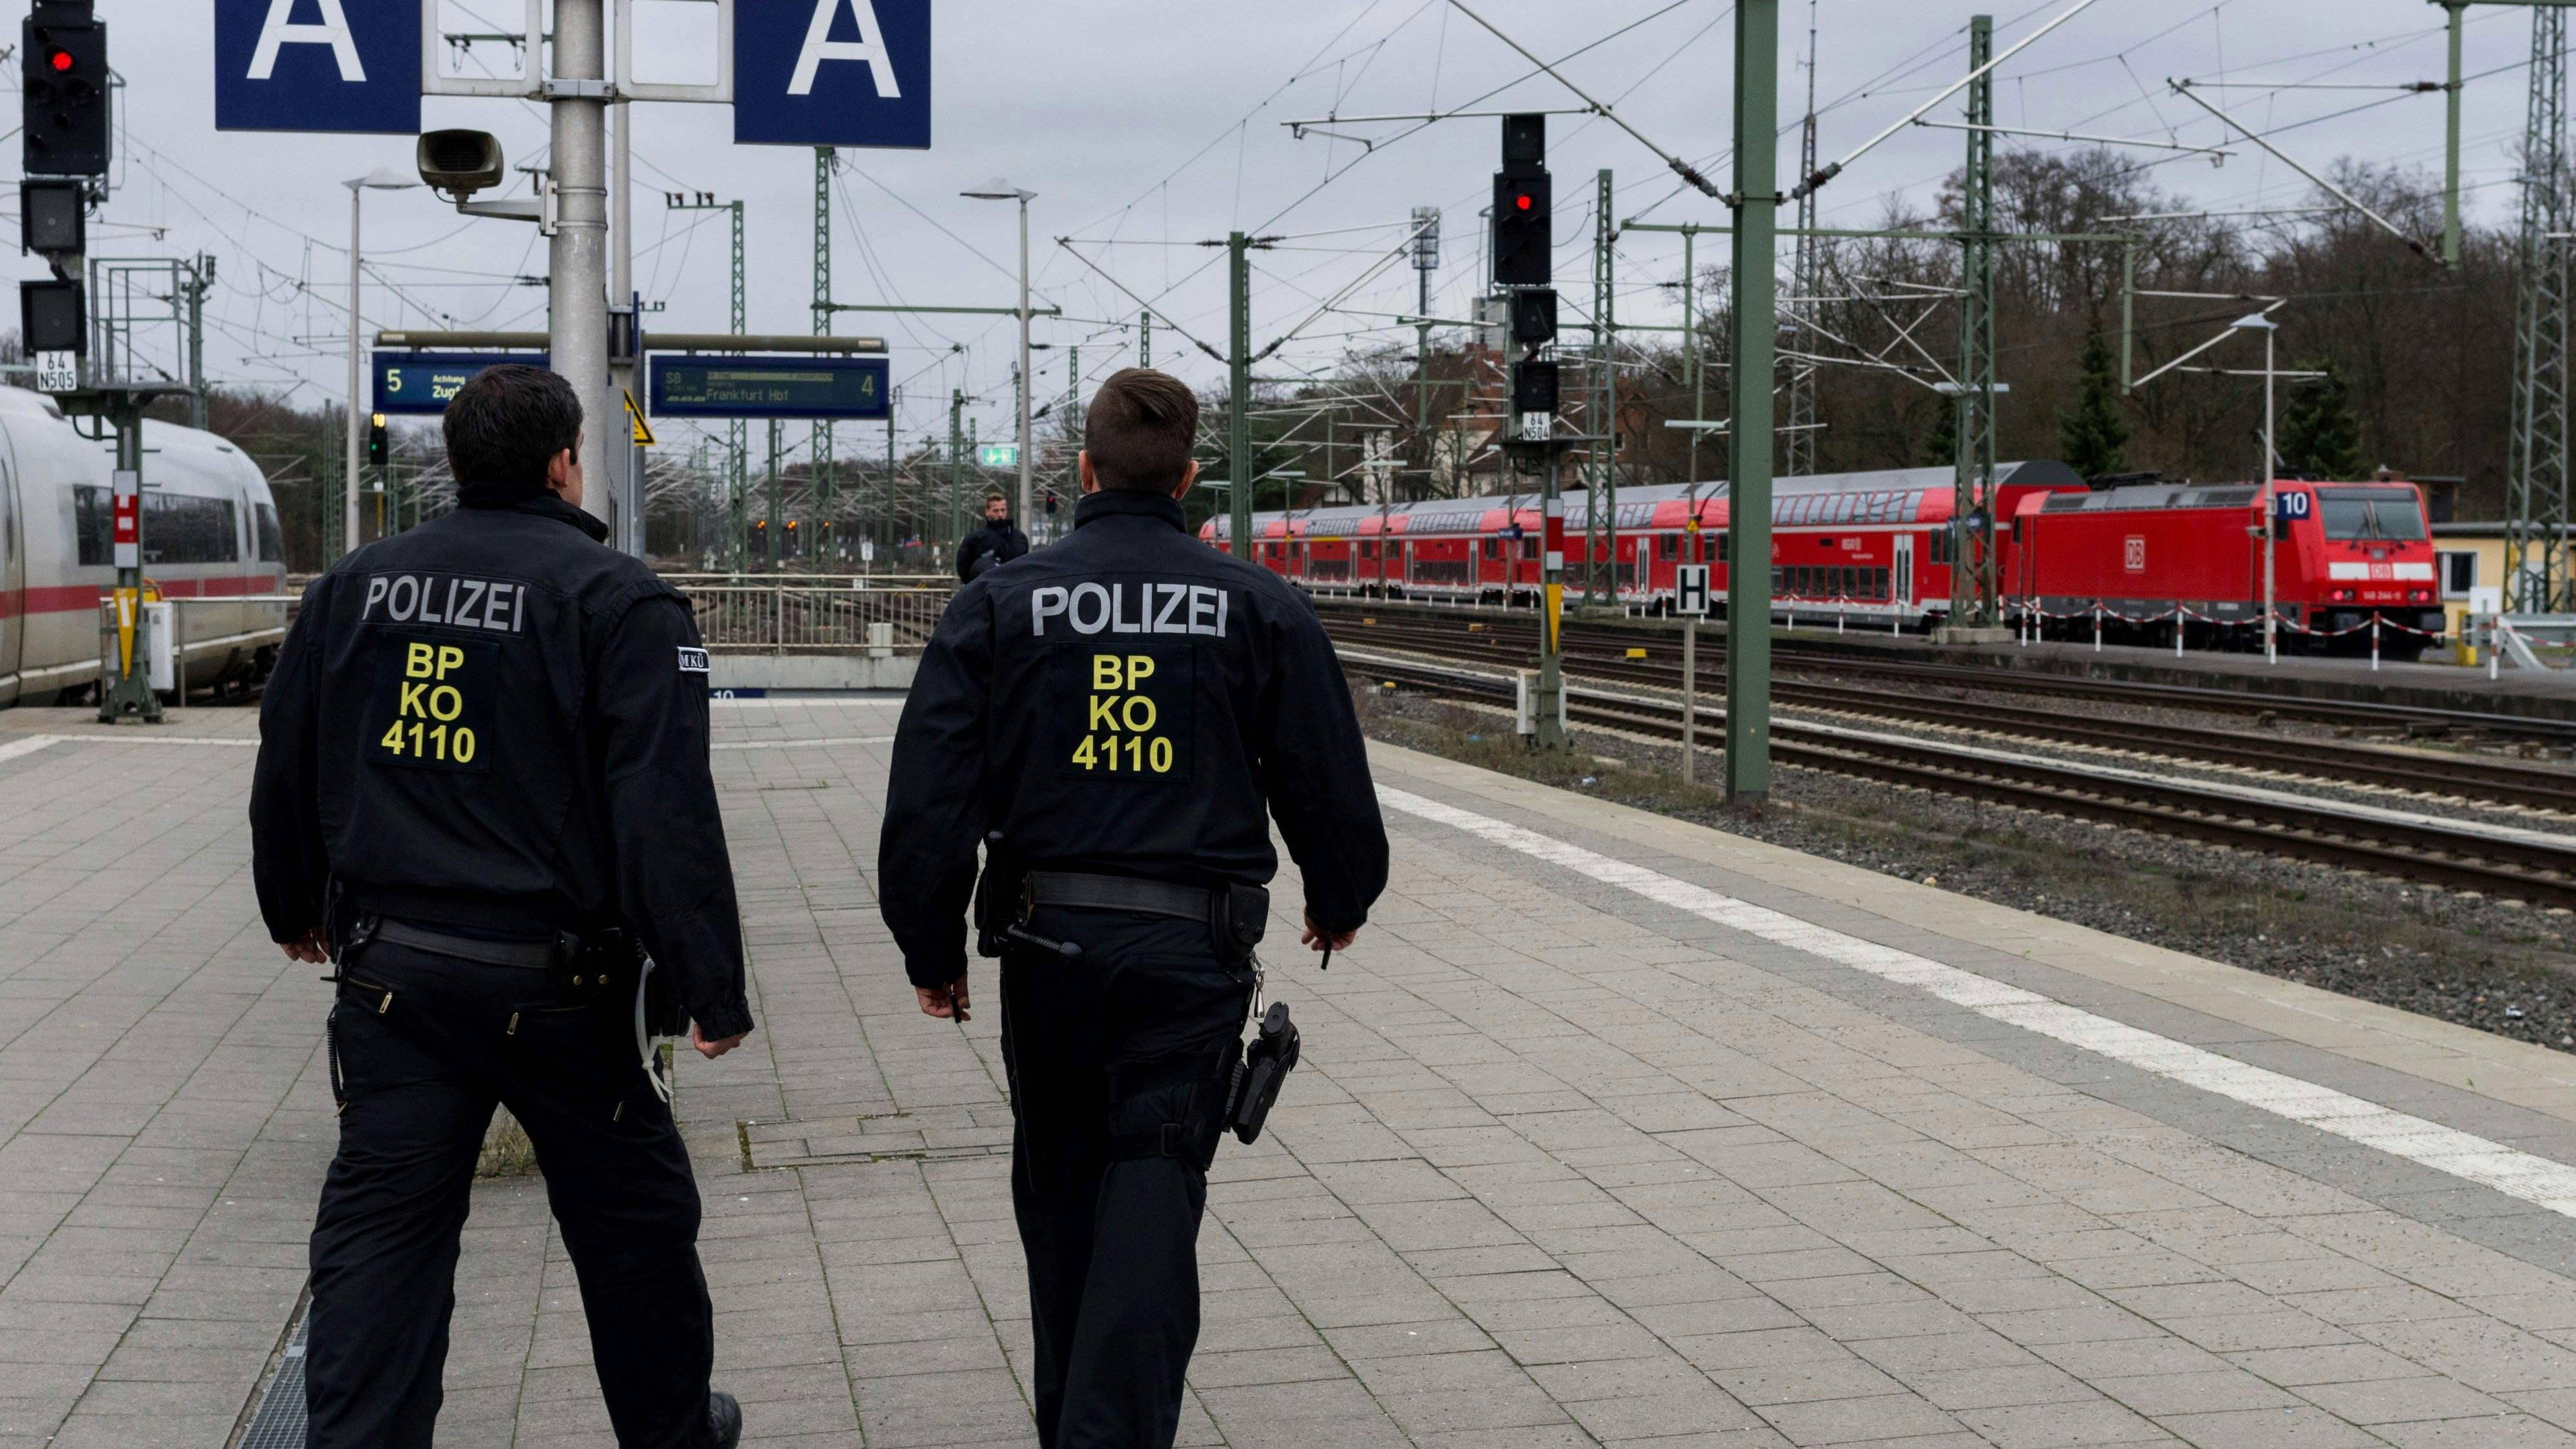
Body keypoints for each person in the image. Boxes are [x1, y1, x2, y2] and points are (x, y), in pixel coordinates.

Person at [879, 368, 1389, 1449]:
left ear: (1081, 471)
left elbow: (929, 798)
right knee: (1153, 1195)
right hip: (1187, 958)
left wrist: (931, 949)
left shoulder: (1000, 606)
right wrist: (1340, 900)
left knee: (1059, 1199)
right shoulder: (1257, 607)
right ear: (1191, 477)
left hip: (1047, 949)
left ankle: (1076, 1422)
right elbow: (1324, 778)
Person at [249, 364, 753, 1449]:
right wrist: (711, 986)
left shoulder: (353, 588)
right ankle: (671, 1434)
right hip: (565, 992)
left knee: (381, 1235)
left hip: (392, 982)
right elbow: (662, 812)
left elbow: (286, 758)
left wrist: (291, 902)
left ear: (457, 462)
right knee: (636, 1228)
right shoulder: (618, 601)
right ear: (566, 461)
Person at [955, 489, 1030, 580]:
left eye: (1003, 510)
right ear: (987, 512)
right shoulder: (975, 539)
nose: (1000, 514)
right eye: (996, 511)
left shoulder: (1019, 538)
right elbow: (964, 569)